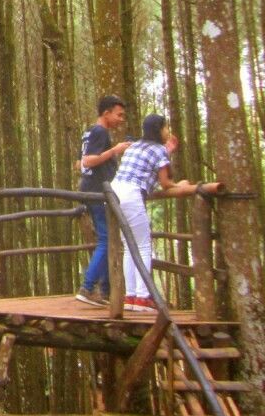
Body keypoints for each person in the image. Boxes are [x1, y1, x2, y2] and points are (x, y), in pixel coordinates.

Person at [111, 113, 193, 311]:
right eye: (165, 128)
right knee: (143, 246)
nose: (168, 131)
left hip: (113, 193)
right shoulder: (159, 151)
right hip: (131, 194)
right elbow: (165, 183)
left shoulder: (135, 146)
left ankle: (131, 296)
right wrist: (180, 185)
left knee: (129, 246)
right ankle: (143, 297)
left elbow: (148, 164)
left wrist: (167, 151)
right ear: (159, 130)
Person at [75, 95, 130, 306]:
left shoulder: (90, 132)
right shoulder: (99, 131)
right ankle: (88, 287)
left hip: (94, 189)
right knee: (106, 240)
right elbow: (88, 161)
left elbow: (80, 162)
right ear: (106, 113)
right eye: (119, 115)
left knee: (110, 239)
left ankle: (106, 291)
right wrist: (115, 150)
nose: (121, 119)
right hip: (97, 191)